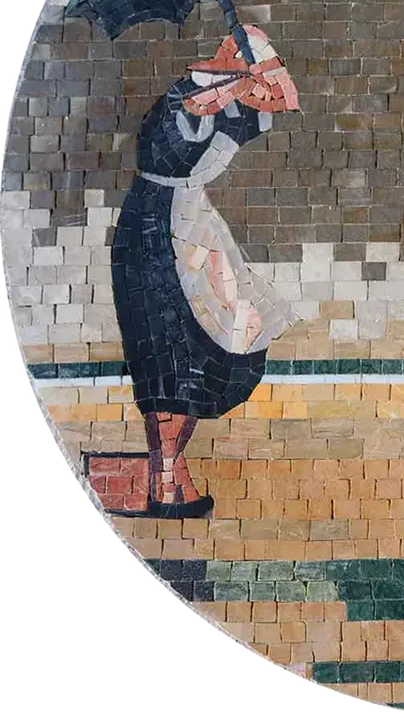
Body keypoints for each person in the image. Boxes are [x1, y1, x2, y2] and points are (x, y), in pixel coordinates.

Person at [110, 26, 301, 518]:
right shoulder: (188, 95)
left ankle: (170, 475)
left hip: (193, 228)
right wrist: (239, 73)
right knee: (171, 352)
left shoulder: (231, 103)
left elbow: (285, 97)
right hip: (154, 234)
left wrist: (260, 63)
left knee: (216, 345)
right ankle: (167, 481)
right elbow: (201, 107)